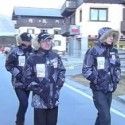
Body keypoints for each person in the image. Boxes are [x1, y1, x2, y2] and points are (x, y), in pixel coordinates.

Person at [23, 32, 66, 125]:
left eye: (49, 40)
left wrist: (58, 85)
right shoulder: (32, 58)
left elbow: (62, 71)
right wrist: (40, 89)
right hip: (39, 100)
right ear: (38, 43)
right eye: (44, 41)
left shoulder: (55, 56)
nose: (47, 43)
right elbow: (27, 78)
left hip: (53, 98)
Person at [82, 27, 121, 125]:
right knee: (106, 117)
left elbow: (117, 67)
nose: (111, 38)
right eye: (108, 36)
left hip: (110, 88)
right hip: (98, 89)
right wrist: (97, 80)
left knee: (102, 115)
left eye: (112, 35)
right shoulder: (93, 50)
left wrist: (116, 80)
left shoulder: (114, 51)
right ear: (102, 37)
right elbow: (86, 70)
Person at [5, 32, 33, 125]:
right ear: (21, 40)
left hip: (29, 83)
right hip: (18, 82)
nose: (27, 42)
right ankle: (19, 122)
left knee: (23, 104)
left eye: (29, 40)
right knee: (24, 103)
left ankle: (20, 119)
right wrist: (17, 73)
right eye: (25, 40)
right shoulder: (15, 51)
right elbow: (8, 65)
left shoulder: (33, 52)